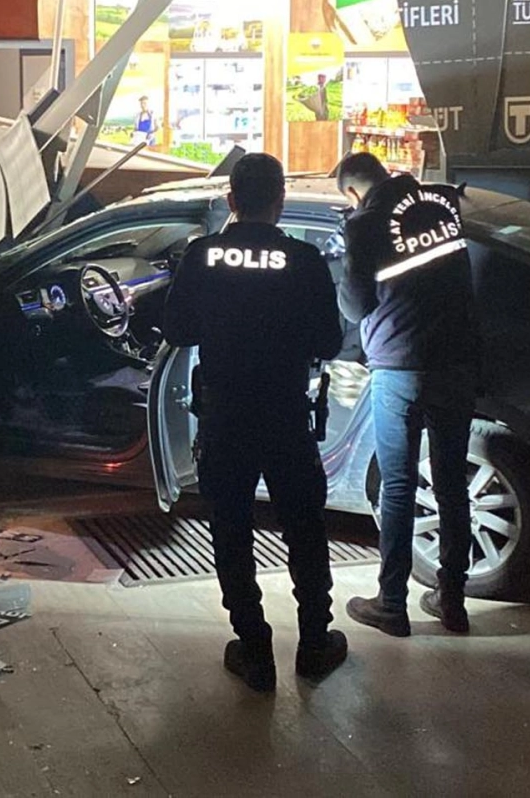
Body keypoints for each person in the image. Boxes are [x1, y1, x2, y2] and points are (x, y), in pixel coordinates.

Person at [163, 153, 348, 691]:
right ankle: (314, 643)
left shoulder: (202, 256)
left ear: (231, 200)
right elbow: (329, 341)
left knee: (231, 528)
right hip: (286, 414)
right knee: (304, 528)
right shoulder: (304, 260)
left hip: (226, 415)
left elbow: (176, 329)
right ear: (280, 202)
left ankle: (254, 649)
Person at [335, 152, 480, 637]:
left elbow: (355, 306)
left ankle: (391, 604)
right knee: (452, 483)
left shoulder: (365, 225)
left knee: (397, 485)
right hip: (457, 362)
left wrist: (349, 246)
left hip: (401, 367)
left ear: (353, 192)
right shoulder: (440, 204)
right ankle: (452, 600)